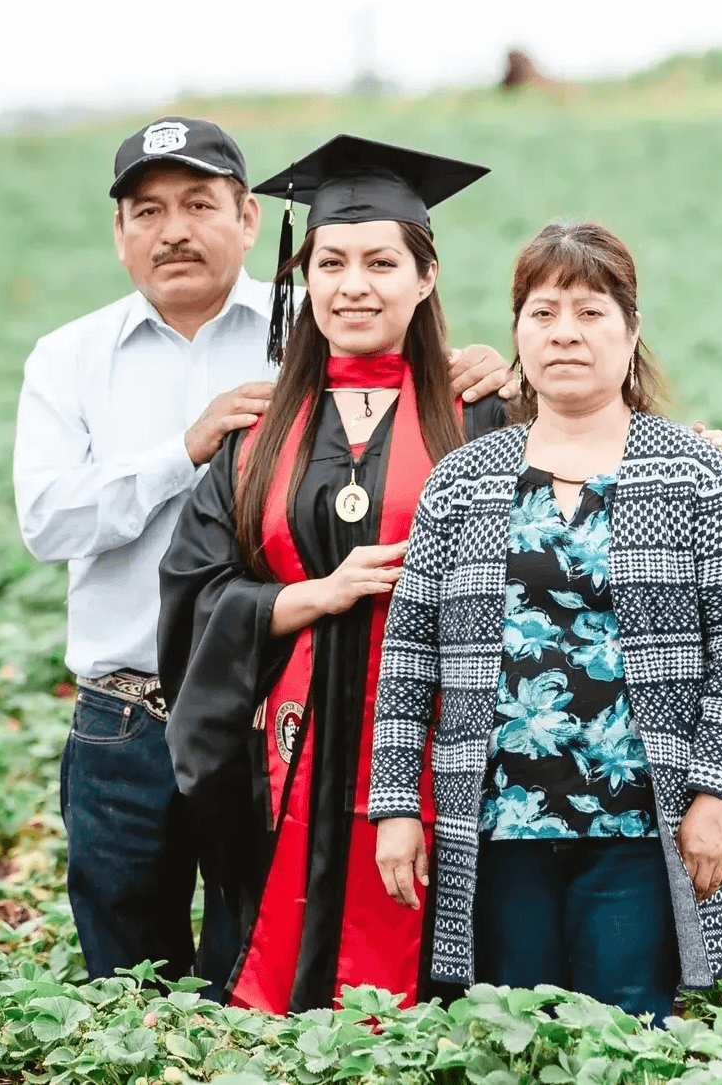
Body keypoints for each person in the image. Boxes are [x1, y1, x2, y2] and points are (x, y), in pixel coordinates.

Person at [13, 119, 515, 989]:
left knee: (309, 949)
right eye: (148, 209)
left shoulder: (309, 337)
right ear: (120, 230)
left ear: (250, 219)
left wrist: (495, 374)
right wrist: (188, 448)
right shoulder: (74, 360)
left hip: (324, 736)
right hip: (139, 717)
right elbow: (52, 522)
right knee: (139, 976)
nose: (174, 229)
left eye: (199, 204)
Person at [369, 221, 722, 1026]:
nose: (564, 333)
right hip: (496, 820)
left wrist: (716, 795)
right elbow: (410, 654)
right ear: (517, 330)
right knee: (510, 1030)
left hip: (636, 817)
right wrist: (393, 804)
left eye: (590, 312)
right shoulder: (464, 480)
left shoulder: (696, 474)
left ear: (631, 331)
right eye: (543, 311)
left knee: (626, 1029)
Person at [157, 135, 519, 1014]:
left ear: (425, 278)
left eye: (381, 262)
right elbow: (191, 596)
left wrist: (698, 452)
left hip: (442, 757)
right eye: (332, 262)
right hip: (284, 759)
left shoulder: (484, 418)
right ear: (304, 276)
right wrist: (302, 597)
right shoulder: (257, 433)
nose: (354, 284)